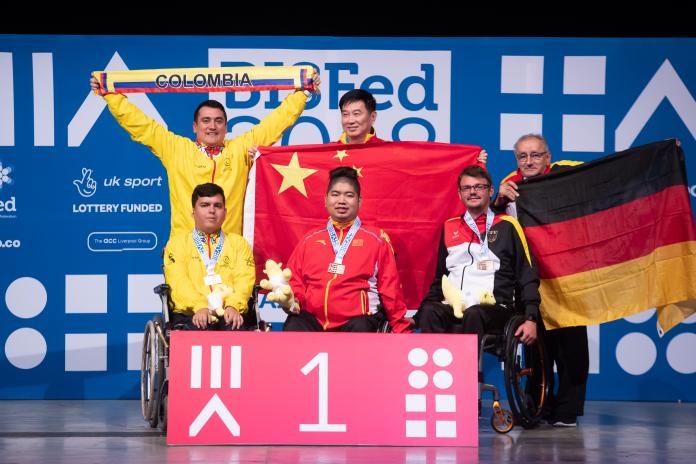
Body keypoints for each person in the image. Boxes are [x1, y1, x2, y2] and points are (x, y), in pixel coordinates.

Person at [89, 73, 320, 239]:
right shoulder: (175, 148)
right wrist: (110, 95)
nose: (212, 126)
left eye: (218, 121)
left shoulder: (239, 149)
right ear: (194, 127)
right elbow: (140, 124)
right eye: (206, 121)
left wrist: (301, 94)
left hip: (230, 254)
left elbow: (273, 124)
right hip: (185, 252)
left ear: (227, 126)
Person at [493, 133, 587, 428]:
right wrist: (498, 203)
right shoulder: (510, 184)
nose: (529, 161)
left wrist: (658, 156)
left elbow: (606, 176)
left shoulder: (565, 172)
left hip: (568, 276)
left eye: (536, 155)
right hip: (531, 279)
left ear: (548, 157)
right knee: (534, 345)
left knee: (571, 347)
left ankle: (568, 410)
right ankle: (537, 406)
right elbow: (496, 228)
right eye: (523, 156)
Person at [416, 164, 540, 346]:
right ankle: (436, 371)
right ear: (459, 194)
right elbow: (439, 278)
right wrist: (418, 315)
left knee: (475, 313)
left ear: (491, 191)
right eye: (466, 188)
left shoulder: (507, 225)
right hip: (455, 306)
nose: (472, 192)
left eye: (478, 187)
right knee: (429, 311)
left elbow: (527, 275)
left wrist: (531, 318)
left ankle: (470, 373)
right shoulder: (449, 227)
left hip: (494, 308)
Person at [279, 167, 411, 333]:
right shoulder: (309, 239)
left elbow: (390, 288)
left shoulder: (377, 239)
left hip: (358, 321)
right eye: (335, 194)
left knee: (361, 327)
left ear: (359, 201)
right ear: (325, 199)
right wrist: (292, 302)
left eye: (349, 195)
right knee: (295, 325)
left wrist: (401, 329)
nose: (341, 201)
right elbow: (294, 281)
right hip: (313, 320)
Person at [164, 183, 255, 330]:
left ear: (225, 212)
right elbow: (178, 281)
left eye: (217, 206)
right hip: (191, 313)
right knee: (199, 328)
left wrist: (233, 305)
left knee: (236, 329)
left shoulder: (239, 243)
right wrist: (199, 306)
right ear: (193, 212)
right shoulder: (176, 244)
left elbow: (244, 279)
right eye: (205, 205)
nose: (212, 210)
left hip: (230, 313)